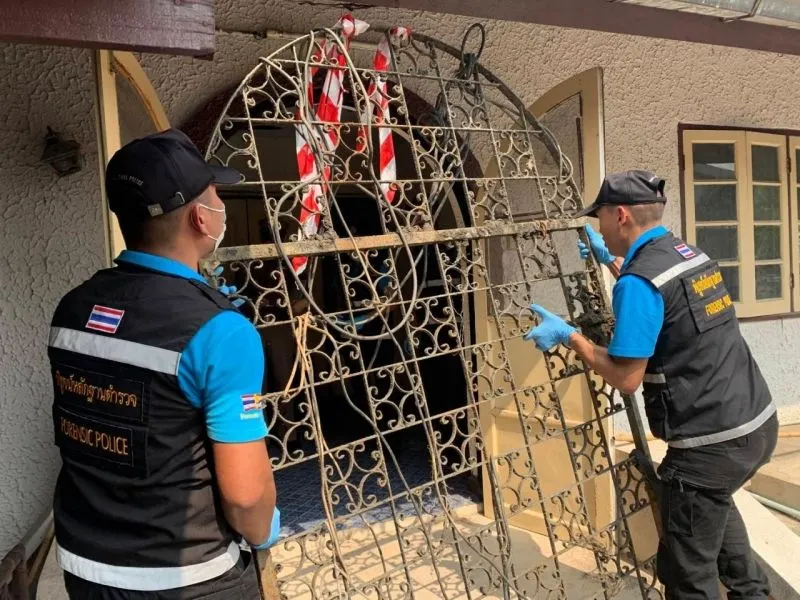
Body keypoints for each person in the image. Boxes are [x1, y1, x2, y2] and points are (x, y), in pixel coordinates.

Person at [47, 129, 280, 599]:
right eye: (215, 193)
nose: (220, 204)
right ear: (200, 217)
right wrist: (263, 531)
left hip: (85, 568)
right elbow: (246, 497)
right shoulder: (221, 331)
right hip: (187, 580)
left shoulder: (72, 307)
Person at [524, 169, 778, 599]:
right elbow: (663, 299)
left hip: (707, 446)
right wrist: (610, 261)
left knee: (687, 575)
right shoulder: (685, 253)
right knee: (721, 528)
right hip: (754, 424)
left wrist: (571, 337)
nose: (598, 225)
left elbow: (626, 377)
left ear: (620, 215)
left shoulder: (639, 282)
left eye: (600, 216)